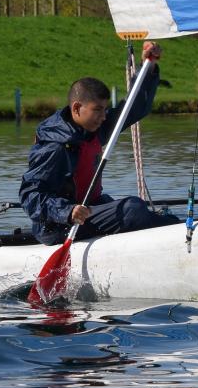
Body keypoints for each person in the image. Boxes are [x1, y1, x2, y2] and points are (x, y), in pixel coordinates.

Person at [20, 40, 179, 245]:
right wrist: (67, 211)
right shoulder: (54, 146)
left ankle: (177, 227)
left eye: (105, 109)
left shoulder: (94, 128)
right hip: (59, 226)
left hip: (89, 211)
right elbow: (30, 195)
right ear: (77, 108)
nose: (104, 116)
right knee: (132, 208)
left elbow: (133, 108)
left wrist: (148, 67)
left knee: (153, 215)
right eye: (97, 110)